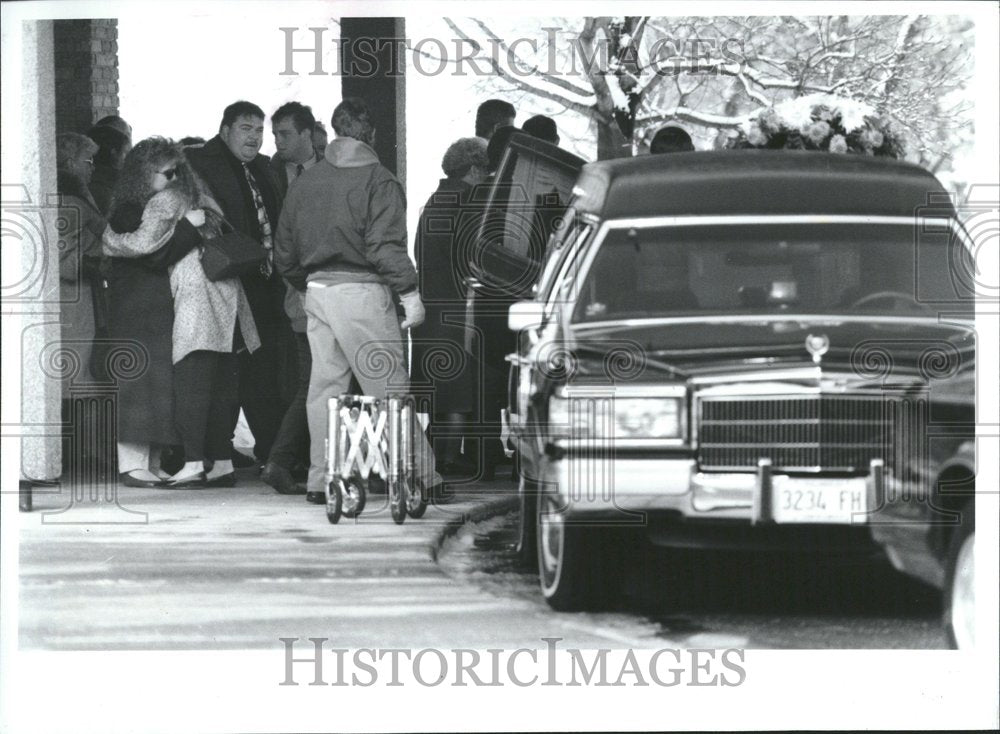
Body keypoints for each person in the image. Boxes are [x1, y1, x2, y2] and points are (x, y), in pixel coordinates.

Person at [274, 97, 444, 504]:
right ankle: (420, 478)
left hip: (317, 292)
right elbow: (384, 246)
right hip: (363, 292)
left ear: (333, 131)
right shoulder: (379, 179)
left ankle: (322, 479)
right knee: (389, 388)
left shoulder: (305, 182)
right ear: (371, 134)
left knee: (324, 389)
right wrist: (409, 293)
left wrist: (304, 283)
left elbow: (284, 251)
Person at [187, 101, 288, 469]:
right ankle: (220, 448)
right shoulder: (200, 163)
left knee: (263, 366)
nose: (255, 137)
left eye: (260, 130)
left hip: (265, 281)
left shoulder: (264, 167)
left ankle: (269, 450)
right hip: (227, 279)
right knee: (229, 367)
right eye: (246, 128)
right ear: (226, 129)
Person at [101, 138, 204, 487]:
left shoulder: (140, 203)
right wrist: (189, 227)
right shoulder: (129, 208)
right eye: (167, 173)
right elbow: (151, 253)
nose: (175, 179)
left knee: (158, 383)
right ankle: (132, 464)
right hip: (136, 302)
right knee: (138, 380)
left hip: (154, 300)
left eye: (178, 172)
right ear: (145, 173)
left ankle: (150, 462)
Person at [411, 138, 490, 474]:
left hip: (430, 309)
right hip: (458, 311)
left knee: (440, 393)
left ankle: (433, 457)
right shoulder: (468, 201)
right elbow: (476, 259)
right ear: (474, 169)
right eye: (485, 171)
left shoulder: (435, 200)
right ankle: (446, 459)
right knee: (458, 394)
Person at [261, 101, 324, 495]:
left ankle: (289, 459)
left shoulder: (328, 173)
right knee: (308, 379)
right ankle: (287, 459)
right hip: (294, 290)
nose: (277, 142)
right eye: (275, 135)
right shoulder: (268, 173)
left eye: (285, 134)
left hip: (307, 288)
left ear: (306, 133)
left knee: (313, 378)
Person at [55, 133, 108, 473]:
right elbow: (64, 258)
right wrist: (105, 259)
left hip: (79, 301)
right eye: (88, 162)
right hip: (70, 303)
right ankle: (80, 458)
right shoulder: (68, 202)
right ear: (69, 163)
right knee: (76, 377)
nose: (92, 169)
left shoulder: (76, 197)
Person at [86, 124, 131, 215]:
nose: (129, 158)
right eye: (125, 152)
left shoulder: (89, 179)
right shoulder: (106, 186)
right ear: (114, 153)